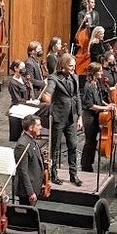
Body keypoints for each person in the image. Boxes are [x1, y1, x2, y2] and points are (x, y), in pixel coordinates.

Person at [44, 53, 83, 185]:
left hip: (72, 117)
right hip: (59, 117)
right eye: (71, 66)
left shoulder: (75, 77)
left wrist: (80, 116)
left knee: (73, 145)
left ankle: (74, 175)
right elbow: (50, 88)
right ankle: (53, 174)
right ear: (63, 65)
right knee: (55, 147)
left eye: (74, 65)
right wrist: (47, 95)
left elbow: (77, 96)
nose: (73, 68)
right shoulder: (53, 78)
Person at [12, 115, 46, 234]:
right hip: (27, 189)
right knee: (23, 218)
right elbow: (23, 171)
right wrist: (30, 191)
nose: (41, 128)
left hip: (34, 186)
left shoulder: (31, 141)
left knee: (27, 217)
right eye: (38, 125)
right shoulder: (22, 144)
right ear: (30, 128)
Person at [80, 62, 114, 173]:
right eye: (99, 71)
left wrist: (107, 105)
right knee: (89, 141)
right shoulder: (88, 86)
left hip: (96, 116)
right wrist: (105, 108)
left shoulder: (96, 83)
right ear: (94, 72)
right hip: (89, 117)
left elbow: (100, 99)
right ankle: (85, 165)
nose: (101, 72)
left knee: (94, 141)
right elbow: (89, 105)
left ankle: (90, 163)